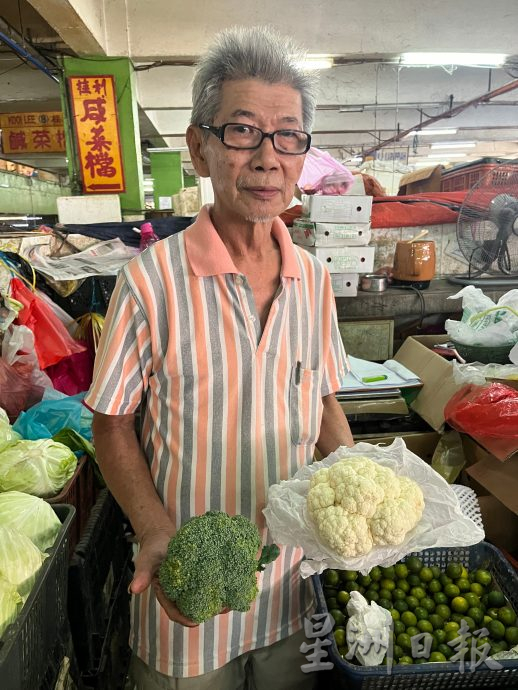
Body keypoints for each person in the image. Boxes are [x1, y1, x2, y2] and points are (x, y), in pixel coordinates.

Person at [86, 25, 353, 690]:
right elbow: (111, 424)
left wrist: (356, 487)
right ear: (200, 150)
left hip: (293, 593)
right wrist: (153, 530)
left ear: (302, 156)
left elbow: (321, 401)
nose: (268, 157)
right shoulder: (150, 282)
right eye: (242, 131)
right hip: (187, 603)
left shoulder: (314, 281)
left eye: (288, 135)